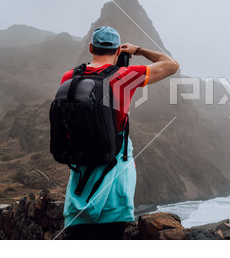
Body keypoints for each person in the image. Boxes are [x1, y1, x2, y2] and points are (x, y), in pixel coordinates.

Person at [60, 26, 179, 240]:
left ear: (91, 48)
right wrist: (138, 50)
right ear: (117, 51)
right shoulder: (125, 76)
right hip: (113, 179)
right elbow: (172, 65)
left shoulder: (69, 77)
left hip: (79, 183)